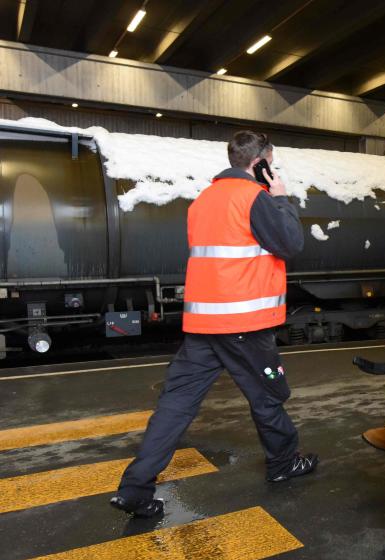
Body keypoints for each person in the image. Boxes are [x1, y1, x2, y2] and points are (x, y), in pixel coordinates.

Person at [110, 131, 317, 518]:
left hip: (204, 325)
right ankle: (284, 463)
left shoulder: (203, 200)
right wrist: (282, 197)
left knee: (175, 406)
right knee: (268, 398)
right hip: (245, 324)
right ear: (261, 165)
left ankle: (135, 488)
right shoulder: (255, 198)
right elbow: (290, 243)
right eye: (274, 164)